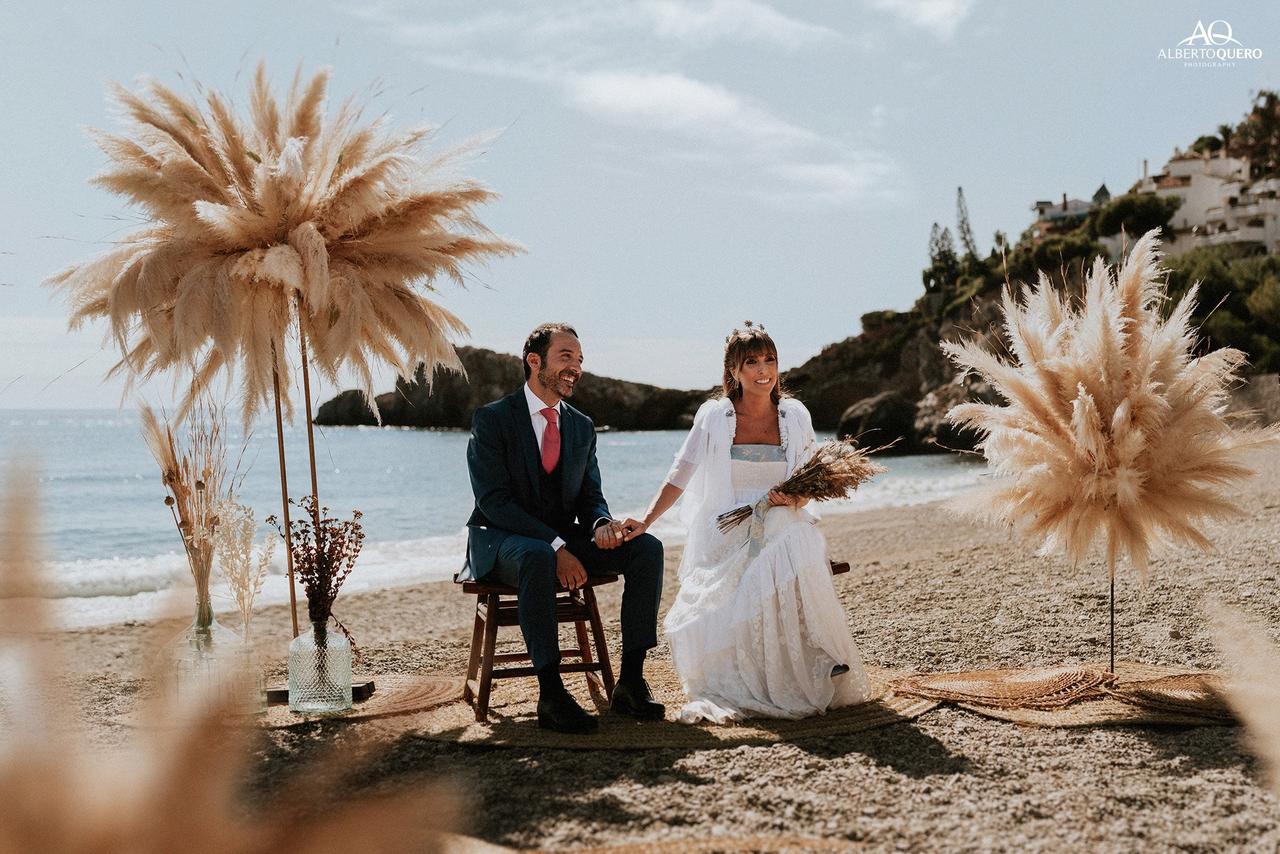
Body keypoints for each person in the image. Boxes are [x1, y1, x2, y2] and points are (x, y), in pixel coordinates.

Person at [621, 323, 871, 723]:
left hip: (782, 519)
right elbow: (680, 473)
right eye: (751, 362)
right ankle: (796, 662)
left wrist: (794, 498)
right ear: (733, 372)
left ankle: (818, 657)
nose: (762, 370)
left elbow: (810, 480)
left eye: (769, 360)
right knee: (789, 535)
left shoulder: (794, 415)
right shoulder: (714, 417)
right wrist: (647, 520)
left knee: (793, 530)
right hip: (728, 529)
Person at [463, 323, 666, 734]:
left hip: (560, 539)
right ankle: (551, 693)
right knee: (537, 555)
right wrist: (557, 546)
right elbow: (494, 501)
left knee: (647, 547)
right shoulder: (493, 419)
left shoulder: (581, 426)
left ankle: (630, 681)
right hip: (501, 540)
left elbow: (591, 494)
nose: (575, 368)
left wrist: (601, 525)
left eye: (579, 360)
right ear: (534, 362)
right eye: (565, 357)